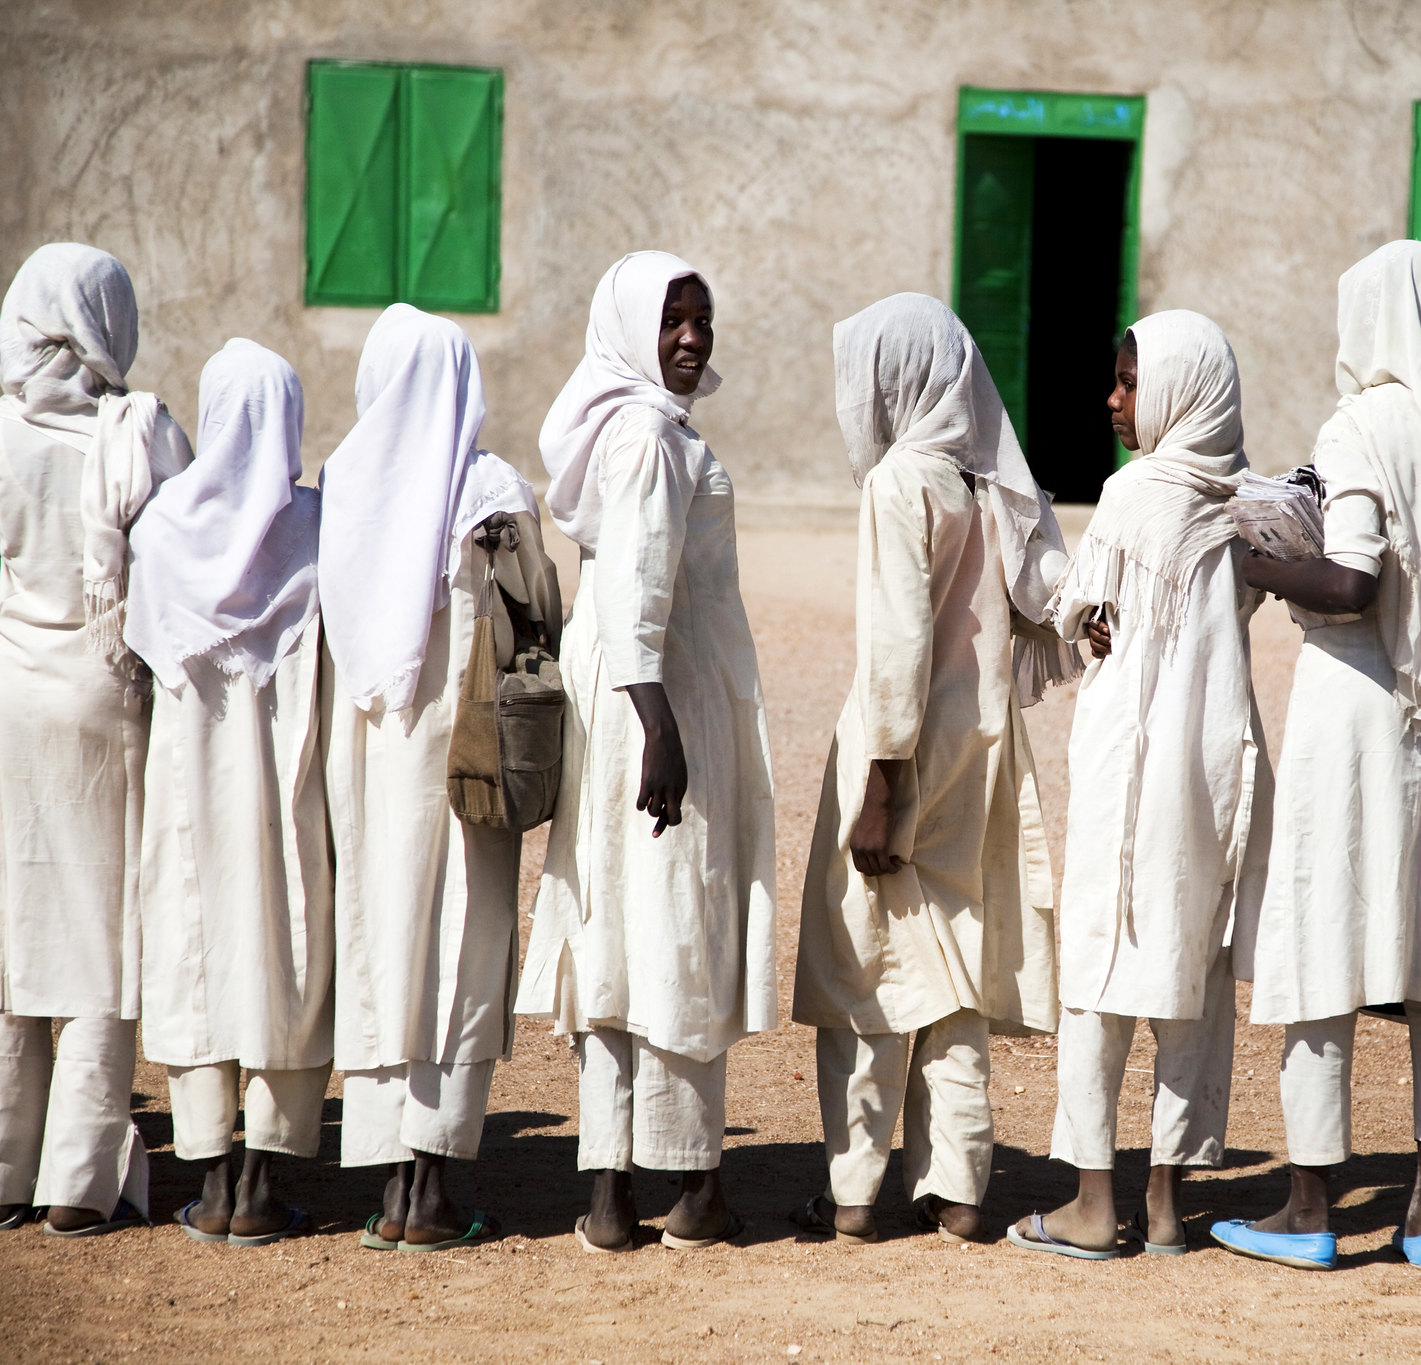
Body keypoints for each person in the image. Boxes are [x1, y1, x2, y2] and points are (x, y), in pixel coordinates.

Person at [1211, 241, 1421, 1273]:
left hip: (1354, 702)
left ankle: (1309, 1205)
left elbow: (1346, 584)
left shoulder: (1359, 428)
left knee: (1320, 934)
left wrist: (1247, 553)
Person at [792, 293, 1077, 1245]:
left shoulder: (900, 482)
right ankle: (957, 1190)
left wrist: (880, 785)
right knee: (952, 969)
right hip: (979, 749)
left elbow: (897, 641)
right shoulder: (981, 483)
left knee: (866, 966)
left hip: (902, 751)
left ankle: (851, 1193)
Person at [517, 252, 776, 1253]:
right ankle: (692, 1186)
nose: (690, 338)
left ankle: (611, 1193)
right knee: (675, 927)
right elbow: (635, 591)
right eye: (672, 319)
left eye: (702, 319)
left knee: (623, 933)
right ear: (630, 326)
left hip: (636, 697)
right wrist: (660, 730)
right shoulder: (647, 438)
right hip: (657, 706)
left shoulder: (635, 429)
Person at [1007, 312, 1269, 1260]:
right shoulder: (1242, 498)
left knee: (1104, 962)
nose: (1113, 400)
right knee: (1187, 968)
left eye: (1128, 383)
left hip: (1136, 761)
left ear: (1174, 390)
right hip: (1212, 761)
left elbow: (1081, 606)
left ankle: (1089, 1201)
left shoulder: (1132, 494)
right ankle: (1163, 1201)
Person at [320, 304, 559, 1252]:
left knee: (388, 938)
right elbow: (539, 611)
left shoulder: (347, 483)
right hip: (471, 756)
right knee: (466, 939)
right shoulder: (494, 489)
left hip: (379, 757)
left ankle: (388, 1183)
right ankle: (434, 1189)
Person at [0, 244, 192, 1236]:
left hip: (9, 709)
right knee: (98, 939)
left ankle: (2, 1165)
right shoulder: (138, 431)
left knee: (16, 930)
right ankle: (77, 1179)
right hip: (103, 704)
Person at [127, 338, 331, 1245]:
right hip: (286, 782)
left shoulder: (164, 526)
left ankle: (208, 1175)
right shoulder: (315, 526)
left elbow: (138, 647)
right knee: (281, 940)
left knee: (196, 938)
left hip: (189, 785)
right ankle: (263, 1176)